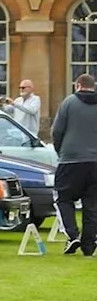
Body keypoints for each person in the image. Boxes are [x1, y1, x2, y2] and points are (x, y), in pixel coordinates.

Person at [50, 74, 98, 255]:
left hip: (70, 159)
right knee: (92, 204)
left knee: (63, 198)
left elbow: (57, 131)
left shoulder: (69, 103)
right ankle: (89, 245)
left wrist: (60, 151)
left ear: (78, 85)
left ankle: (72, 235)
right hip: (95, 162)